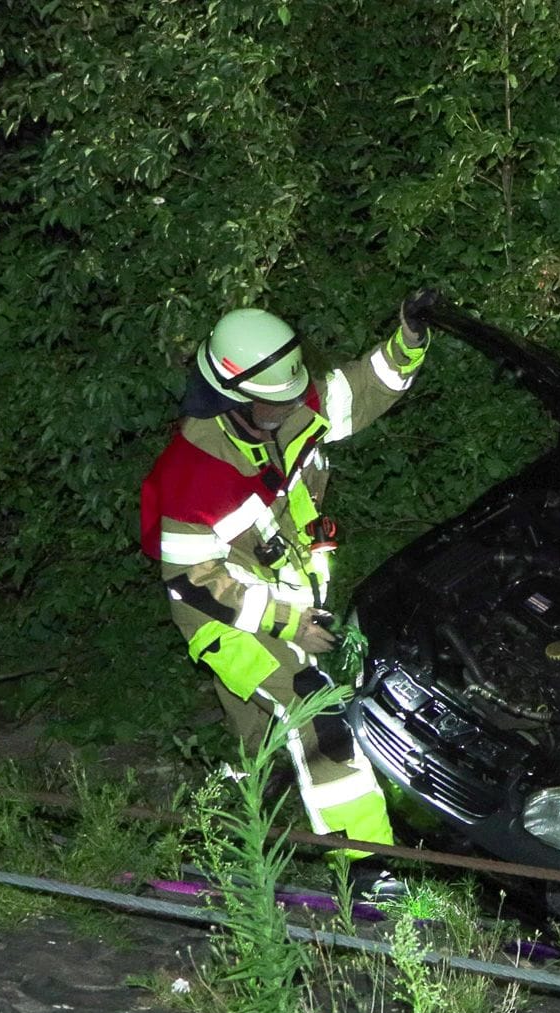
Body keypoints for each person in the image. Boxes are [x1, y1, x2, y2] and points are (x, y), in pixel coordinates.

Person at [139, 289, 440, 894]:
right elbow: (197, 584)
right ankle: (367, 869)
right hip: (226, 619)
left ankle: (218, 844)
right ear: (231, 394)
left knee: (262, 742)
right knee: (317, 714)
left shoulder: (283, 404)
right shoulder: (194, 474)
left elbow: (361, 388)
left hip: (285, 603)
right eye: (272, 404)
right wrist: (287, 624)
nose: (288, 410)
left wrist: (408, 340)